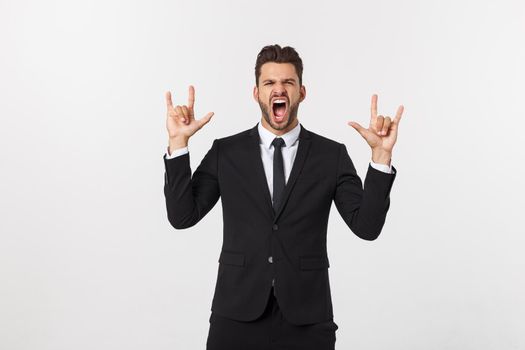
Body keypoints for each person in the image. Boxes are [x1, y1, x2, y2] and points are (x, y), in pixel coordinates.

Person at [162, 44, 403, 350]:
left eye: (288, 82)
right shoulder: (226, 153)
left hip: (308, 319)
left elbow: (367, 227)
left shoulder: (331, 156)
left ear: (302, 92)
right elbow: (182, 216)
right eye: (270, 83)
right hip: (236, 313)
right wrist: (178, 145)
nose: (279, 89)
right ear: (256, 93)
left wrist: (381, 156)